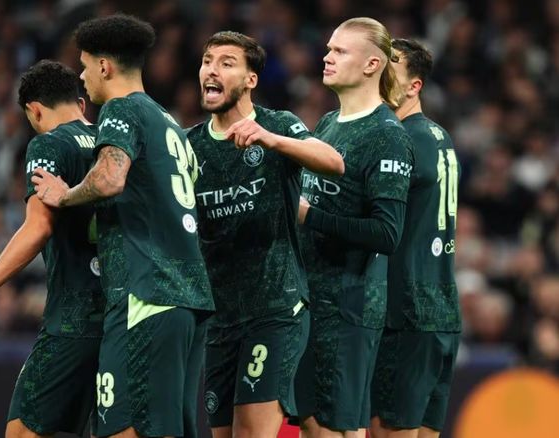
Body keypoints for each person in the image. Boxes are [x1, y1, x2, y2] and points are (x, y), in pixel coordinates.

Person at [31, 14, 215, 438]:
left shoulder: (121, 108)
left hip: (144, 294)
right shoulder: (169, 122)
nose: (81, 77)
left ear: (104, 66)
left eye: (84, 66)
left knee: (122, 429)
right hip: (189, 299)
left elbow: (110, 177)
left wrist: (65, 194)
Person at [187, 31, 344, 438]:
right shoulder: (189, 147)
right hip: (220, 319)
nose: (211, 70)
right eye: (207, 61)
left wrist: (272, 140)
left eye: (226, 63)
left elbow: (333, 162)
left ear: (250, 80)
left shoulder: (277, 125)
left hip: (274, 310)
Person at [0, 59, 105, 437]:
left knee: (22, 433)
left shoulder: (48, 143)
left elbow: (39, 227)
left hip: (73, 319)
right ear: (81, 104)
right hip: (122, 316)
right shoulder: (113, 141)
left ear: (34, 111)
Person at [294, 17, 414, 438]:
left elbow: (387, 234)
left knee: (337, 427)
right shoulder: (328, 122)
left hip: (349, 305)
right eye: (329, 48)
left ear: (371, 64)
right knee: (311, 424)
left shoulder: (387, 135)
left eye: (340, 51)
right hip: (310, 299)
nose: (327, 57)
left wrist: (309, 216)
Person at [369, 38, 461, 438]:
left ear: (414, 85)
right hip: (442, 308)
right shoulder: (440, 136)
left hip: (406, 309)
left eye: (390, 68)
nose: (378, 75)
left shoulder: (401, 139)